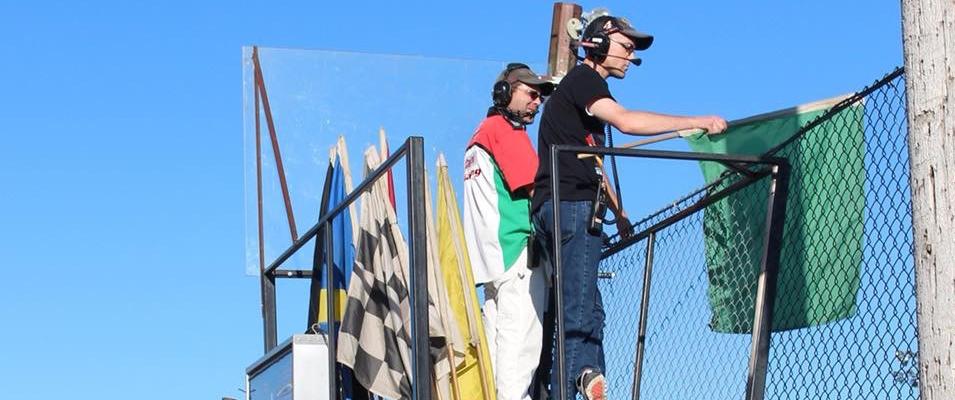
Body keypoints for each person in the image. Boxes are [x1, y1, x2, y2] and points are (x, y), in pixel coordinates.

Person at [530, 14, 727, 400]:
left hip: (562, 206)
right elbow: (625, 122)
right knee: (579, 314)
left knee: (588, 309)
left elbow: (591, 162)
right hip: (571, 207)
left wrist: (618, 214)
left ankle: (586, 376)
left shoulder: (579, 94)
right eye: (625, 46)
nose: (631, 55)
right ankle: (574, 384)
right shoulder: (586, 81)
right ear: (598, 44)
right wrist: (696, 120)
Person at [462, 63, 555, 400]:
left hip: (491, 262)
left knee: (500, 361)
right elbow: (539, 192)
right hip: (518, 254)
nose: (537, 101)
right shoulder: (506, 132)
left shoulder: (479, 134)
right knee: (519, 362)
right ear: (506, 91)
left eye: (540, 96)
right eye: (531, 93)